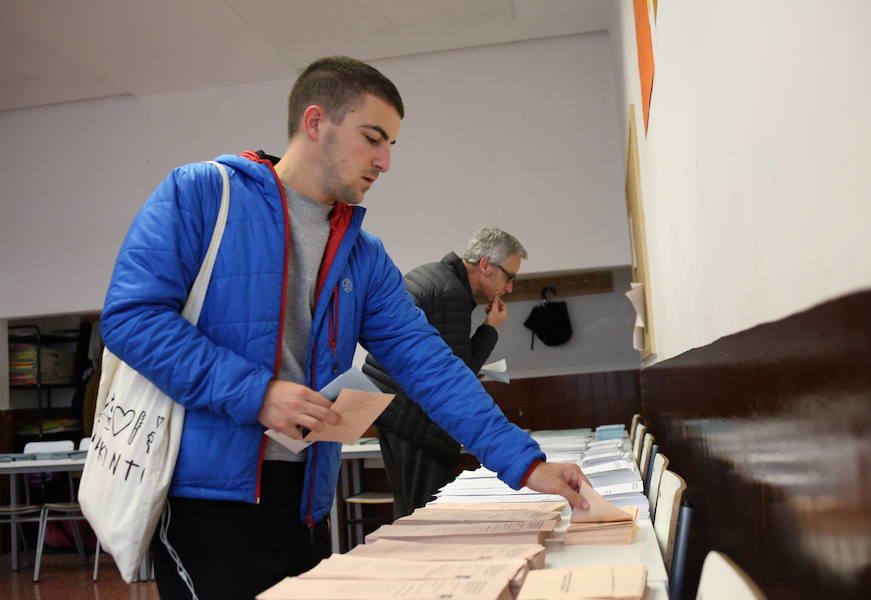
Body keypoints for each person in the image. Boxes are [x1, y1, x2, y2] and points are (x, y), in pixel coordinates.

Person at [100, 56, 589, 600]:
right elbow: (131, 319)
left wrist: (526, 463)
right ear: (315, 123)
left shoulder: (363, 254)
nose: (384, 161)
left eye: (391, 146)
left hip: (304, 496)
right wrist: (255, 394)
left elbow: (431, 366)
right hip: (205, 499)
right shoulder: (201, 194)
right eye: (372, 138)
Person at [363, 227, 525, 517]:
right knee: (426, 514)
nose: (509, 287)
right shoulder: (450, 293)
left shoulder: (437, 277)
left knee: (411, 508)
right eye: (509, 276)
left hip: (394, 411)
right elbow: (455, 377)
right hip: (415, 419)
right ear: (486, 266)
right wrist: (490, 329)